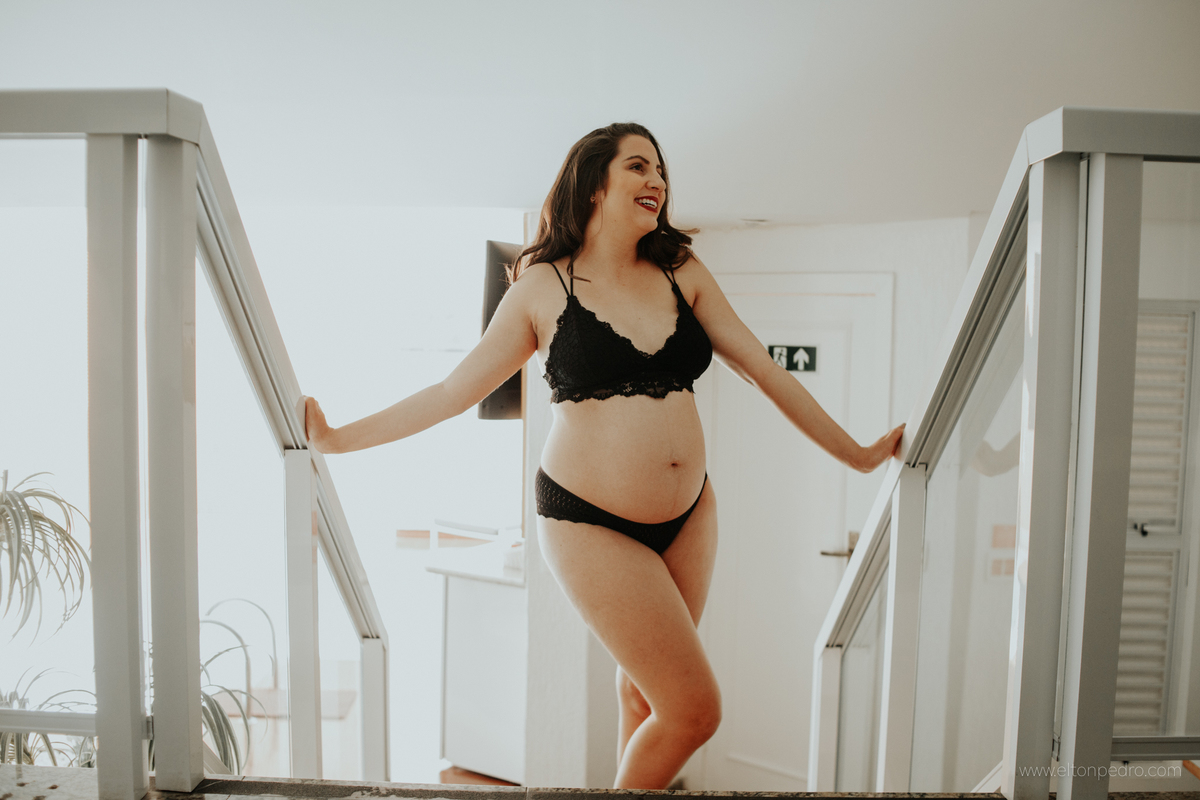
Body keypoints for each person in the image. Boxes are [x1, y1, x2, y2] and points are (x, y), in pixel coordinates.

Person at [303, 122, 904, 789]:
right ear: (594, 183)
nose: (658, 181)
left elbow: (762, 369)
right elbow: (451, 393)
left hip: (691, 513)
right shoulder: (542, 287)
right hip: (587, 521)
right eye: (638, 167)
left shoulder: (681, 271)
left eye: (661, 171)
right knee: (693, 712)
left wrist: (858, 456)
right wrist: (336, 439)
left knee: (646, 694)